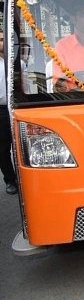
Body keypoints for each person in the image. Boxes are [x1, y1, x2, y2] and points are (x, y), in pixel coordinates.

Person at [0, 30, 18, 195]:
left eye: (4, 40)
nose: (2, 43)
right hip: (1, 110)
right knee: (3, 148)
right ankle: (10, 180)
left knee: (21, 145)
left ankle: (24, 177)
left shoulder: (16, 62)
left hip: (17, 108)